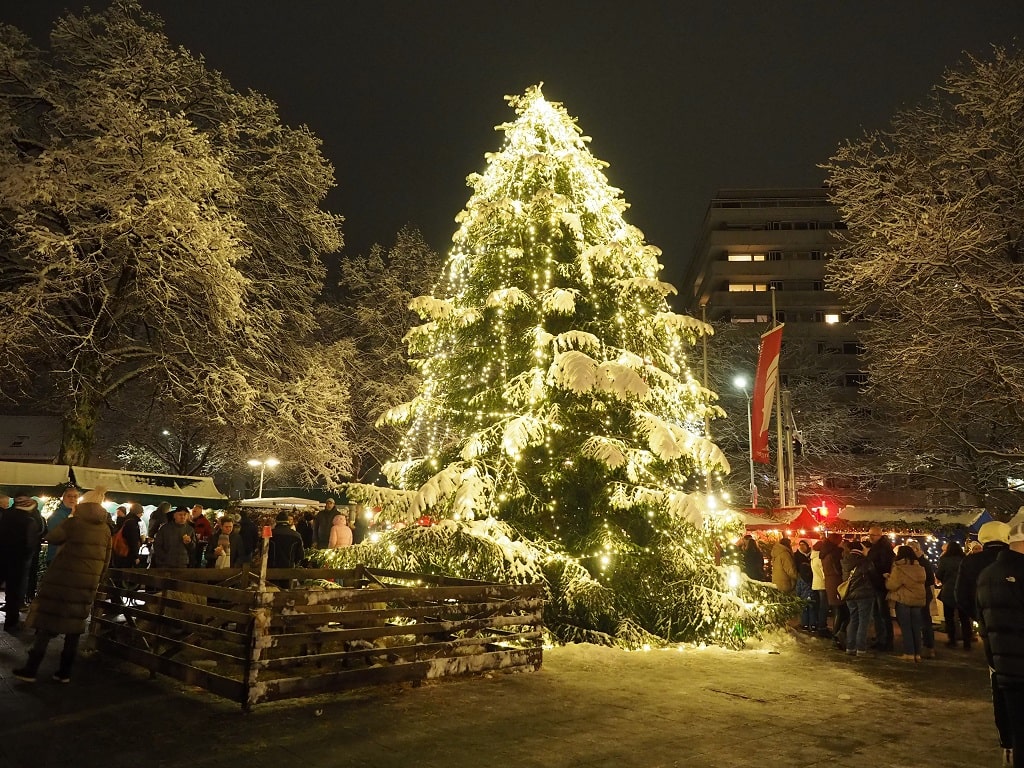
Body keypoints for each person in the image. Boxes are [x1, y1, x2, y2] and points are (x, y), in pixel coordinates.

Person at [12, 487, 111, 683]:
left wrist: (70, 518)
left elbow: (52, 537)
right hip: (86, 585)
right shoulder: (106, 528)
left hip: (63, 580)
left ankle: (31, 670)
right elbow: (107, 560)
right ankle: (64, 672)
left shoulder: (75, 522)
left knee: (47, 623)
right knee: (74, 629)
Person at [976, 521, 1024, 768]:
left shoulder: (987, 574)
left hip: (1004, 667)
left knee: (1018, 732)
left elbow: (982, 621)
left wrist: (993, 658)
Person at [957, 522, 1011, 651]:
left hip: (985, 619)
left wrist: (978, 615)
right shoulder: (1016, 559)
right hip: (1015, 623)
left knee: (993, 659)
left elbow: (961, 595)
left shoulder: (970, 561)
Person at [0, 492, 44, 634]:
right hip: (18, 562)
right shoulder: (29, 521)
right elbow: (30, 544)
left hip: (1, 558)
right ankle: (11, 623)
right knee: (14, 594)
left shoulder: (4, 516)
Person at [886, 544, 928, 661]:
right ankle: (917, 654)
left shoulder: (900, 568)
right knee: (916, 627)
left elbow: (892, 585)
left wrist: (888, 578)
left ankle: (909, 653)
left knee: (906, 627)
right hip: (918, 601)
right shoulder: (920, 567)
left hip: (904, 600)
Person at [841, 540, 879, 657]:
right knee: (864, 622)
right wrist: (867, 555)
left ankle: (850, 647)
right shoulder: (864, 561)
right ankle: (861, 649)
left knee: (854, 620)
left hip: (849, 595)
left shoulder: (845, 560)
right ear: (862, 549)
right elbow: (874, 575)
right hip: (864, 595)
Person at [937, 540, 971, 648]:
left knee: (949, 617)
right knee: (964, 618)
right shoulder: (965, 559)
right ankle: (967, 642)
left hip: (948, 591)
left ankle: (952, 640)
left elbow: (939, 574)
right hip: (963, 590)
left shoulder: (944, 560)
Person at [866, 526, 895, 651]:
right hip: (876, 583)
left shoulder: (883, 548)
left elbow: (884, 565)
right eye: (869, 534)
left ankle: (885, 640)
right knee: (878, 613)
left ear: (879, 535)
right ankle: (881, 637)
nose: (870, 537)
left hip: (880, 584)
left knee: (882, 613)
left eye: (873, 535)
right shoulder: (878, 547)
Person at [908, 539, 937, 658]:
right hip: (923, 592)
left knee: (924, 620)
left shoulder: (921, 562)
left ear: (916, 549)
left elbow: (928, 579)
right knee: (924, 619)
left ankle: (928, 647)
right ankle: (928, 646)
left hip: (921, 592)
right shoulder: (922, 561)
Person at [44, 487, 78, 566]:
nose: (72, 499)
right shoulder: (57, 515)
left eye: (75, 496)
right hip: (57, 557)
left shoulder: (79, 515)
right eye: (69, 496)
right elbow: (56, 536)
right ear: (63, 498)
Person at [793, 540, 814, 630]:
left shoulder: (812, 555)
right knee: (809, 608)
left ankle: (809, 624)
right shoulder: (797, 555)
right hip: (804, 578)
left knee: (809, 608)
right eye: (800, 544)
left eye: (803, 545)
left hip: (810, 580)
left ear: (807, 545)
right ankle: (808, 624)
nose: (801, 546)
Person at [810, 542, 829, 635]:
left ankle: (816, 623)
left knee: (818, 605)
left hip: (815, 584)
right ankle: (822, 625)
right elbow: (824, 573)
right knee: (823, 606)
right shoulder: (820, 558)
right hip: (822, 584)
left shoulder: (812, 558)